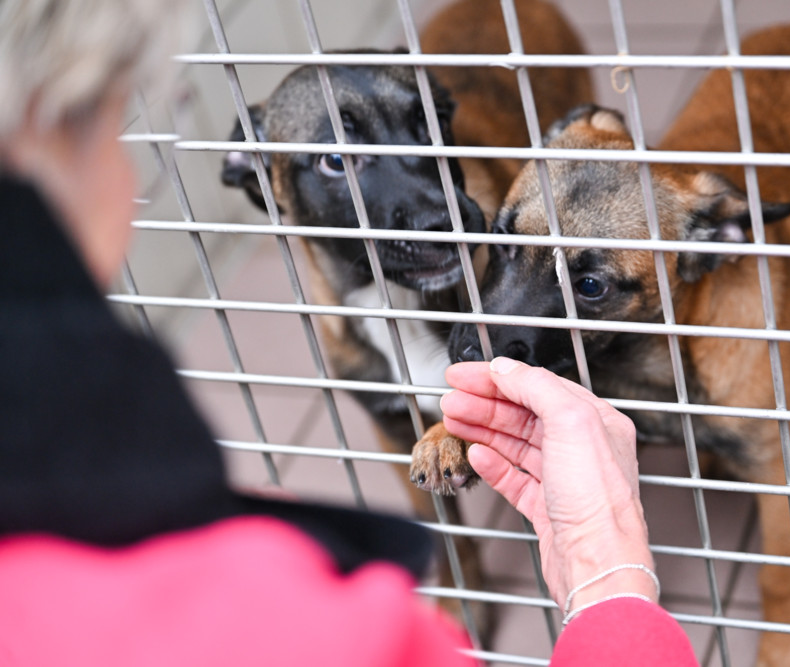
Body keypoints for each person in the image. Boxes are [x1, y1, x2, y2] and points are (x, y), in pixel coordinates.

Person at [0, 0, 697, 665]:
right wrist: (606, 574)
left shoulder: (518, 270)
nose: (439, 209)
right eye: (338, 159)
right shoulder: (328, 625)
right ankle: (465, 571)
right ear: (262, 180)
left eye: (426, 124)